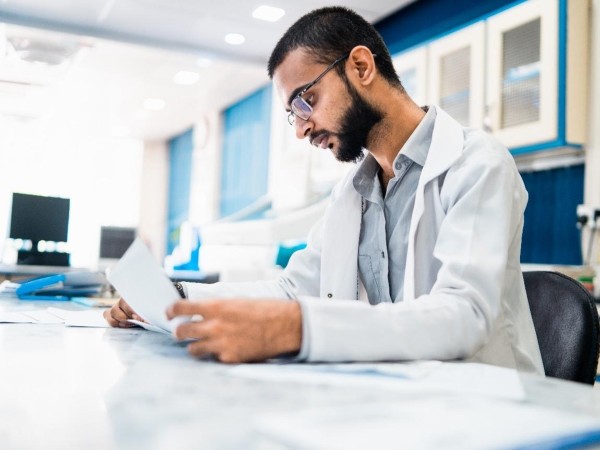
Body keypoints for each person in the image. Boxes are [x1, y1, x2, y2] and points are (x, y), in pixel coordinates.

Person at [105, 6, 544, 374]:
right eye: (292, 114)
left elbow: (465, 316)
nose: (302, 129)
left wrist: (299, 328)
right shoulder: (352, 194)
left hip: (486, 408)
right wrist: (177, 299)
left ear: (361, 66)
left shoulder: (477, 163)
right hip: (401, 402)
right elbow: (294, 291)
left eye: (305, 101)